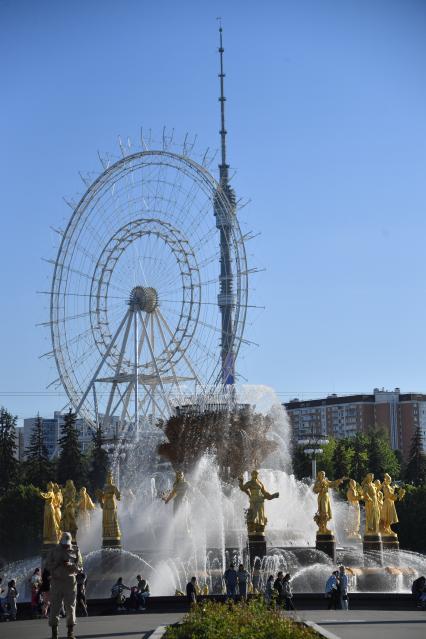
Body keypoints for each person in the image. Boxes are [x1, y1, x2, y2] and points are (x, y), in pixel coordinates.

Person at [45, 530, 82, 639]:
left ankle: (70, 633)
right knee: (55, 608)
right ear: (61, 541)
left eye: (67, 544)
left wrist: (70, 565)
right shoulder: (54, 551)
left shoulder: (75, 550)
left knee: (70, 607)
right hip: (56, 583)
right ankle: (54, 633)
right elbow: (47, 566)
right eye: (64, 544)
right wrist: (57, 563)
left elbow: (80, 567)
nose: (66, 546)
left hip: (70, 583)